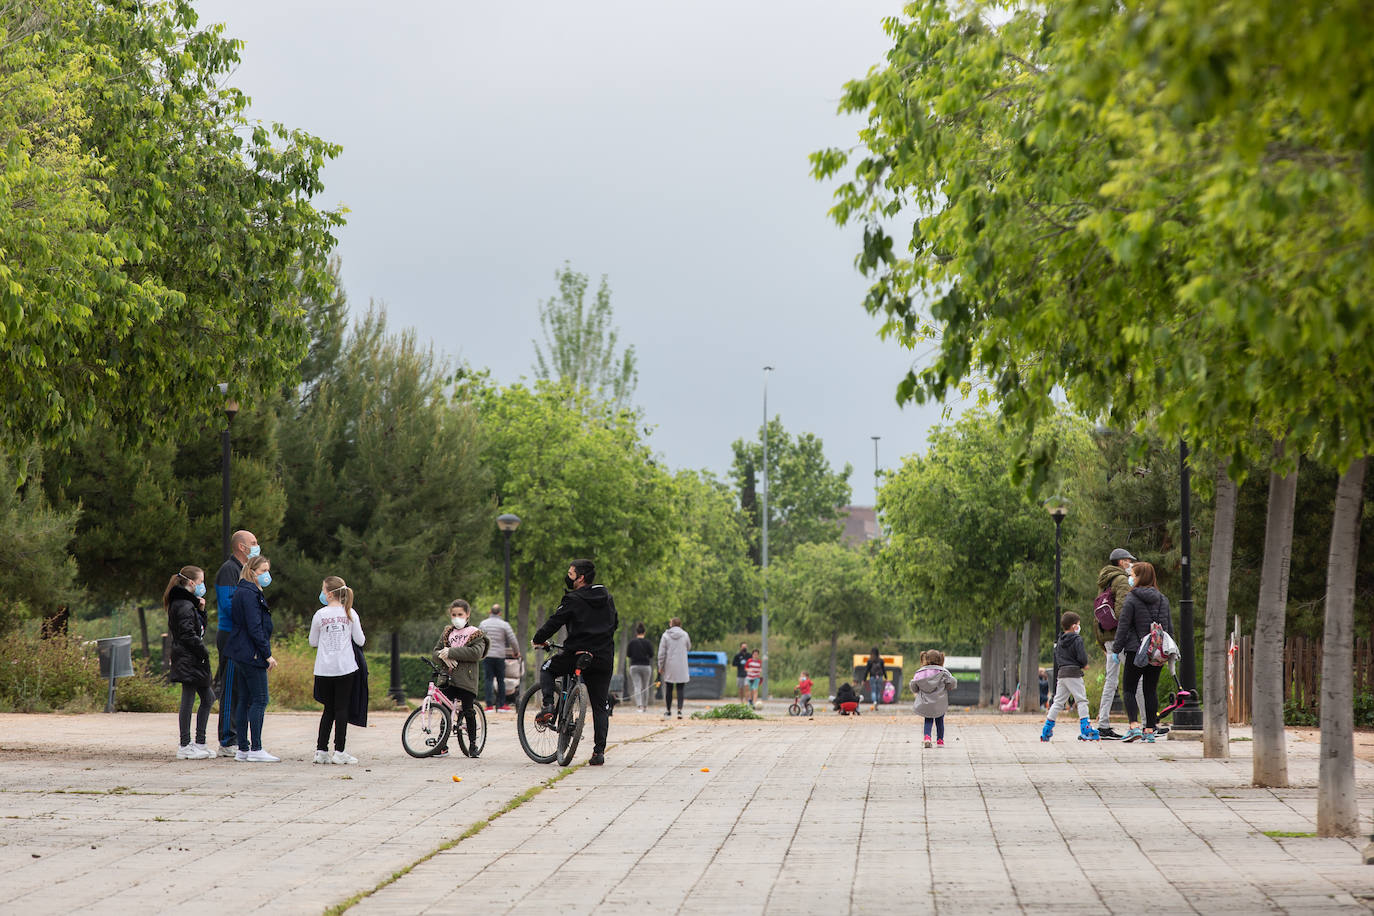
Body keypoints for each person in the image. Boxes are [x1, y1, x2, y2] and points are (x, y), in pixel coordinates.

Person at [533, 559, 618, 765]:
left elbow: (555, 621)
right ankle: (598, 753)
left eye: (570, 574)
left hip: (577, 655)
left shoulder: (573, 598)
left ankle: (548, 707)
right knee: (600, 705)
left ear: (580, 578)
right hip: (603, 657)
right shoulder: (606, 596)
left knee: (547, 669)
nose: (568, 576)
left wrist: (538, 639)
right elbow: (615, 623)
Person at [1112, 562, 1173, 743]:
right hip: (1156, 652)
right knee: (1150, 690)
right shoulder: (1163, 599)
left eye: (1133, 574)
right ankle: (1149, 729)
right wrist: (1167, 651)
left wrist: (1116, 648)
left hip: (1135, 650)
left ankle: (1133, 726)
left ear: (1139, 577)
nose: (1130, 578)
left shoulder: (1131, 598)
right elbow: (1169, 627)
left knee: (1129, 688)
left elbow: (1123, 626)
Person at [226, 554, 279, 762]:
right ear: (252, 571)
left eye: (268, 570)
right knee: (260, 699)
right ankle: (256, 748)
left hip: (241, 650)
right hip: (251, 652)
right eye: (263, 571)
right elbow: (255, 627)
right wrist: (267, 655)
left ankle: (243, 749)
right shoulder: (249, 593)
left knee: (245, 699)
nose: (267, 575)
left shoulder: (246, 590)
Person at [309, 576, 365, 765]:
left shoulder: (319, 614)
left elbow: (313, 642)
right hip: (345, 667)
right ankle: (339, 750)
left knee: (328, 709)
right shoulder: (350, 613)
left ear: (330, 593)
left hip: (323, 668)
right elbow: (361, 640)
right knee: (342, 709)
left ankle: (321, 750)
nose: (322, 593)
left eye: (323, 590)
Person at [214, 529, 258, 750]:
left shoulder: (246, 572)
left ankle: (240, 738)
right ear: (242, 546)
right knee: (230, 688)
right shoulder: (229, 570)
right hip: (231, 636)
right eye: (253, 542)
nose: (257, 546)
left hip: (244, 636)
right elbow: (229, 605)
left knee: (244, 689)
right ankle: (227, 739)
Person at [1094, 547, 1145, 739]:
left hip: (1107, 636)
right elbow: (1124, 610)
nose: (1131, 563)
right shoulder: (1122, 580)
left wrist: (1102, 640)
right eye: (1129, 560)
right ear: (1121, 562)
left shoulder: (1104, 581)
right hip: (1120, 638)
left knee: (1111, 681)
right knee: (1136, 679)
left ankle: (1103, 724)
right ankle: (1148, 723)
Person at [166, 566, 214, 759]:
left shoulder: (188, 604)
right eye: (201, 582)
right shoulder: (183, 604)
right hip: (189, 658)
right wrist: (203, 651)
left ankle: (200, 742)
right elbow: (188, 634)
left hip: (192, 658)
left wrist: (201, 611)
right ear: (191, 582)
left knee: (208, 698)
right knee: (188, 699)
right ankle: (185, 744)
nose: (203, 586)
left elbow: (199, 629)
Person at [431, 599, 489, 758]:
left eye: (460, 614)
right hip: (447, 678)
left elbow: (476, 653)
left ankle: (472, 745)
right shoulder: (447, 632)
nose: (456, 617)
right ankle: (441, 744)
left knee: (469, 711)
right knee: (445, 710)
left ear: (467, 615)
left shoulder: (475, 633)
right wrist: (442, 656)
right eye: (454, 614)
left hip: (466, 679)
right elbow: (435, 652)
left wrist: (451, 652)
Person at [1041, 612, 1099, 741]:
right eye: (1078, 624)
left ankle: (1047, 729)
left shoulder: (1059, 640)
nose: (1079, 627)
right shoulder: (1077, 639)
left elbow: (1057, 657)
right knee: (1082, 700)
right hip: (1073, 673)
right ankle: (1086, 728)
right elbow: (1081, 656)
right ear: (1074, 626)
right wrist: (1084, 664)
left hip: (1062, 674)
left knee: (1057, 702)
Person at [911, 649, 957, 748]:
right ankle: (940, 740)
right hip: (940, 702)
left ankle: (927, 737)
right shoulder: (943, 672)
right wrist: (948, 687)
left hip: (926, 702)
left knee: (928, 719)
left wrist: (917, 690)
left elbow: (914, 685)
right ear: (940, 659)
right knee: (940, 720)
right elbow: (952, 682)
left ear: (925, 659)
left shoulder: (920, 672)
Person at [479, 603, 518, 711]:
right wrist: (516, 652)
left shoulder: (483, 624)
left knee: (488, 680)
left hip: (487, 656)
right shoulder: (504, 625)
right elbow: (512, 639)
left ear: (490, 612)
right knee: (501, 680)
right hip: (500, 656)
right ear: (500, 613)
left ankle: (489, 705)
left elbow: (478, 639)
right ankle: (501, 705)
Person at [657, 616, 691, 718]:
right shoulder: (685, 635)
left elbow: (661, 653)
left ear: (671, 624)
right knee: (680, 688)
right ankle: (680, 710)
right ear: (680, 624)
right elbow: (688, 647)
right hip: (681, 664)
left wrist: (660, 665)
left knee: (669, 688)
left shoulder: (665, 636)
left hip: (669, 664)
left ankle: (668, 711)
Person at [627, 623, 654, 712]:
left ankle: (639, 706)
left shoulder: (632, 642)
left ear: (636, 632)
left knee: (637, 686)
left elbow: (628, 654)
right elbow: (651, 655)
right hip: (646, 666)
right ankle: (645, 706)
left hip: (634, 666)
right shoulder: (648, 642)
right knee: (645, 686)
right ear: (644, 632)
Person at [863, 647, 887, 712]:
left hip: (872, 677)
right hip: (880, 677)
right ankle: (877, 704)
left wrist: (864, 679)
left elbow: (866, 670)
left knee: (873, 691)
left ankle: (874, 702)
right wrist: (886, 677)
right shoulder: (881, 660)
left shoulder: (870, 661)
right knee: (878, 691)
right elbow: (883, 669)